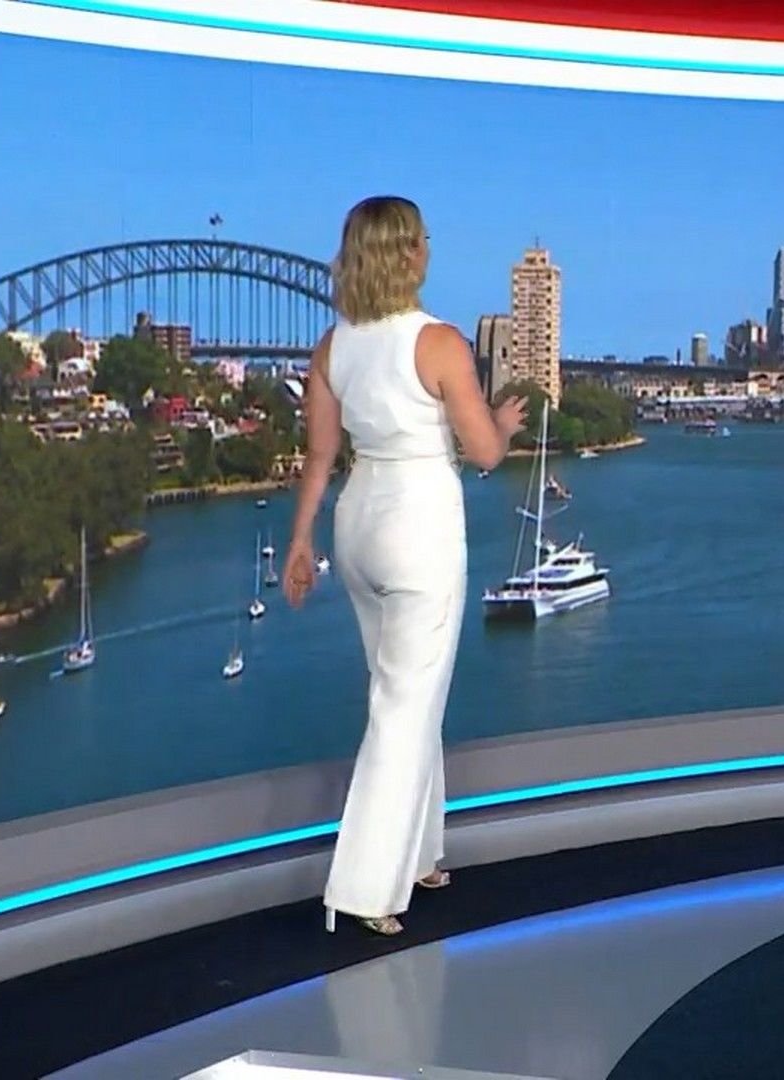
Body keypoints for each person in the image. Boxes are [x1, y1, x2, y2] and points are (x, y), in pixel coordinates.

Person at [282, 196, 526, 937]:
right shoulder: (441, 343)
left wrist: (300, 542)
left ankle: (416, 854)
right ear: (409, 253)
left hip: (358, 526)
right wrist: (503, 424)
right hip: (419, 527)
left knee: (409, 695)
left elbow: (320, 457)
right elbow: (484, 453)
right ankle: (363, 890)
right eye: (422, 239)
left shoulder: (332, 348)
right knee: (404, 707)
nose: (428, 249)